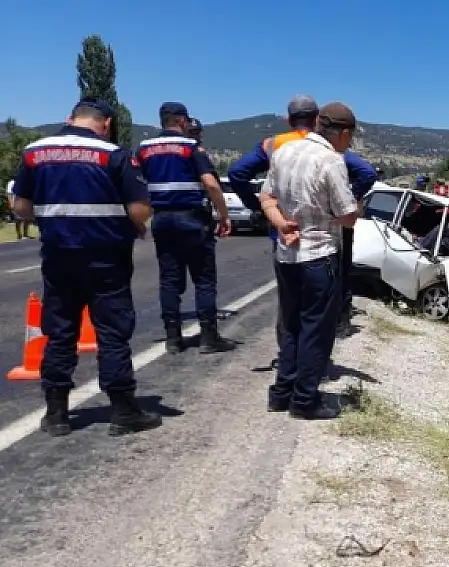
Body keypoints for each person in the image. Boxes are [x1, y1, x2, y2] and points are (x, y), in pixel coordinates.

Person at [9, 98, 161, 436]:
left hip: (59, 255)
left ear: (70, 119)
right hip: (106, 256)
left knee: (60, 331)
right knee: (112, 330)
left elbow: (20, 205)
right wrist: (130, 223)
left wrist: (53, 220)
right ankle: (123, 411)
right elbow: (139, 209)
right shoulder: (114, 154)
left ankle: (57, 414)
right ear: (106, 123)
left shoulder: (35, 152)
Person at [227, 95, 377, 350]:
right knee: (317, 311)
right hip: (321, 241)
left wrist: (262, 209)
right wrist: (343, 202)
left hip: (285, 233)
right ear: (317, 118)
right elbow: (367, 173)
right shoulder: (328, 149)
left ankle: (288, 358)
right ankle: (314, 361)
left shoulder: (273, 145)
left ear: (288, 119)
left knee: (289, 307)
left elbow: (237, 173)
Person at [259, 102, 362, 419]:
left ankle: (281, 393)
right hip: (319, 256)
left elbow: (266, 198)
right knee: (316, 329)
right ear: (343, 133)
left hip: (287, 254)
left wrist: (280, 223)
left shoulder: (283, 152)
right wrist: (358, 206)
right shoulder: (332, 160)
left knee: (290, 325)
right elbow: (347, 217)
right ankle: (305, 400)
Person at [137, 102, 235, 355]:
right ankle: (209, 338)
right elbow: (211, 185)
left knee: (169, 280)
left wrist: (137, 220)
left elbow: (136, 185)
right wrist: (223, 215)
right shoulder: (191, 147)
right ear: (181, 121)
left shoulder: (144, 149)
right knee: (203, 279)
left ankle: (173, 339)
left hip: (162, 219)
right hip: (191, 219)